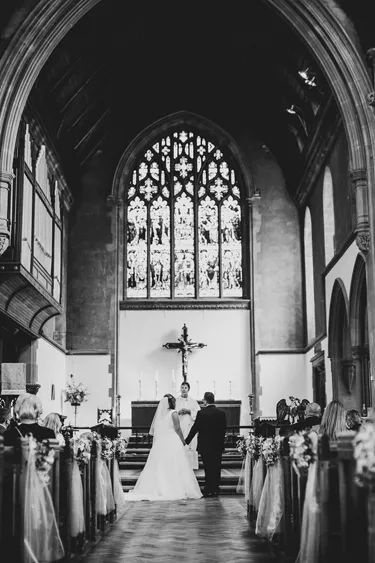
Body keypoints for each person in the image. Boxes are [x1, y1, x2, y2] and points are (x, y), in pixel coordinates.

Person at [125, 394, 202, 501]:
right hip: (173, 440)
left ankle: (159, 487)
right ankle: (173, 487)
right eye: (174, 401)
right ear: (172, 403)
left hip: (162, 442)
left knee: (161, 464)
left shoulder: (162, 415)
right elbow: (178, 429)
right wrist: (183, 441)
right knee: (175, 463)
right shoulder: (173, 413)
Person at [185, 391, 226, 497]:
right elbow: (223, 430)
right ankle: (216, 488)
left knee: (208, 467)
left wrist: (186, 441)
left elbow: (195, 428)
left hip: (205, 445)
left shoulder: (201, 413)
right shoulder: (221, 413)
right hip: (217, 445)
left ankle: (208, 488)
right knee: (216, 467)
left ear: (205, 401)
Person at [175, 381, 200, 470]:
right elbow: (171, 413)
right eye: (182, 387)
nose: (184, 389)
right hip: (180, 426)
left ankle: (191, 466)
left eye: (185, 388)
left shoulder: (193, 402)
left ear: (188, 389)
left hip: (190, 427)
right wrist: (178, 412)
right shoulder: (176, 401)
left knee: (190, 446)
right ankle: (180, 466)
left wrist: (189, 411)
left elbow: (198, 414)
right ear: (180, 389)